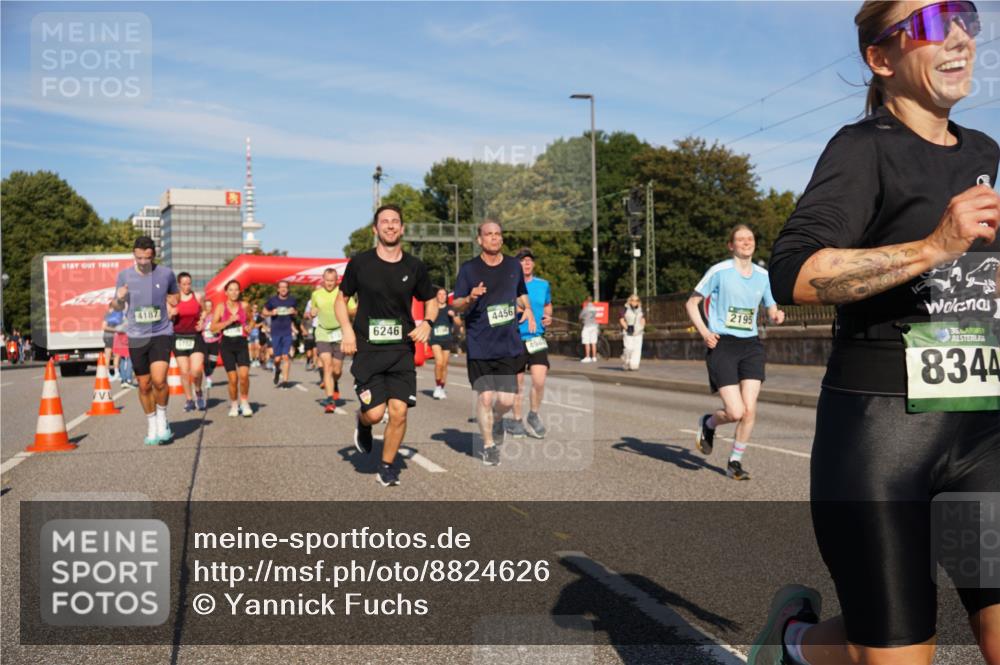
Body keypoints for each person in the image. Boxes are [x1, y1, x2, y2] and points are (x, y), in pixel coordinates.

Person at [749, 2, 999, 664]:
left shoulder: (982, 152)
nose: (955, 37)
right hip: (880, 443)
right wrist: (934, 246)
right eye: (926, 24)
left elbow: (964, 284)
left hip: (979, 434)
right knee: (893, 650)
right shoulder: (861, 150)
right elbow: (794, 273)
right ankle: (794, 644)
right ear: (881, 60)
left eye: (962, 17)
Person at [337, 204, 437, 487]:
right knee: (375, 413)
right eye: (385, 222)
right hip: (368, 350)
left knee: (399, 411)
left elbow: (430, 299)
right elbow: (340, 300)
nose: (390, 226)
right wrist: (347, 331)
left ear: (402, 228)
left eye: (395, 221)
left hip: (400, 351)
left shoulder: (414, 266)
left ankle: (387, 465)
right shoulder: (360, 263)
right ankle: (362, 421)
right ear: (375, 229)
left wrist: (427, 323)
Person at [685, 224, 784, 481]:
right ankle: (708, 424)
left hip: (751, 345)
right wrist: (705, 333)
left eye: (750, 238)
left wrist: (776, 315)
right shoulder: (719, 271)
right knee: (735, 412)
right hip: (723, 346)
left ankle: (734, 462)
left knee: (750, 411)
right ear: (731, 245)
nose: (746, 242)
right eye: (740, 239)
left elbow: (771, 306)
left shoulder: (763, 275)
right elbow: (691, 303)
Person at [452, 221, 536, 465]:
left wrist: (528, 310)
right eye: (489, 234)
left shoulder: (513, 265)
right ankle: (488, 444)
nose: (494, 238)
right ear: (479, 240)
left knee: (507, 401)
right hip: (480, 343)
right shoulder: (469, 269)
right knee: (485, 398)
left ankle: (498, 419)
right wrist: (469, 297)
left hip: (508, 343)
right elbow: (455, 303)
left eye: (498, 234)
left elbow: (521, 292)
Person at [112, 236, 179, 446]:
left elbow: (175, 296)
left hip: (161, 332)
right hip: (137, 336)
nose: (142, 262)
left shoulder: (166, 273)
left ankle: (162, 419)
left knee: (159, 381)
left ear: (153, 255)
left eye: (147, 258)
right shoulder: (124, 276)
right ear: (134, 254)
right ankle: (151, 423)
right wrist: (120, 297)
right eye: (139, 257)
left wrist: (172, 301)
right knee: (144, 385)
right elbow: (115, 308)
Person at [509, 248, 552, 438]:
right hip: (516, 338)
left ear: (533, 264)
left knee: (539, 380)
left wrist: (548, 316)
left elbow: (547, 305)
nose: (526, 263)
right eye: (522, 260)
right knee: (517, 384)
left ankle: (533, 415)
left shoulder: (543, 285)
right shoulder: (509, 285)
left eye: (529, 260)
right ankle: (517, 420)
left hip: (537, 338)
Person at [309, 268, 355, 415]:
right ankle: (330, 400)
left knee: (337, 369)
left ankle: (335, 383)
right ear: (323, 279)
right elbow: (311, 311)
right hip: (323, 332)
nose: (329, 283)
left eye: (332, 280)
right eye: (327, 280)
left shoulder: (343, 293)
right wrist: (311, 313)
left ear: (337, 280)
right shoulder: (316, 294)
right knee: (327, 366)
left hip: (340, 333)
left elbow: (354, 310)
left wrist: (346, 311)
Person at [211, 280, 253, 417]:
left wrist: (249, 327)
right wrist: (229, 321)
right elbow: (213, 328)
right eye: (231, 290)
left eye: (236, 289)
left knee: (244, 376)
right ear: (226, 292)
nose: (234, 292)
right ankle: (234, 404)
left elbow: (251, 320)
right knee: (233, 379)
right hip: (227, 345)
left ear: (239, 291)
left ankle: (245, 402)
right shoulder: (220, 307)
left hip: (241, 343)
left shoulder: (245, 305)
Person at [168, 272, 207, 411]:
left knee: (196, 370)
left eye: (189, 283)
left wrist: (202, 321)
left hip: (195, 337)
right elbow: (166, 317)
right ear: (179, 284)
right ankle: (189, 400)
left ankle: (198, 392)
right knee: (184, 372)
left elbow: (204, 311)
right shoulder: (174, 298)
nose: (187, 286)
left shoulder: (197, 296)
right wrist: (171, 314)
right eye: (184, 284)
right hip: (178, 338)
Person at [262, 280, 297, 388]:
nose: (283, 289)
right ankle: (277, 369)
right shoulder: (272, 300)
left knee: (286, 357)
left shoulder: (292, 300)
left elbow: (296, 312)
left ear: (288, 289)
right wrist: (271, 313)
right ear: (278, 289)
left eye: (285, 287)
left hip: (287, 332)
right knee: (277, 359)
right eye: (281, 287)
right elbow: (263, 312)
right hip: (276, 332)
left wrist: (294, 312)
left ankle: (285, 381)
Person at [428, 287, 460, 400]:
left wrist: (454, 316)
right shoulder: (432, 308)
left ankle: (441, 387)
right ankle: (437, 386)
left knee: (445, 365)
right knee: (439, 362)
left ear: (446, 297)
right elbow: (427, 321)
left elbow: (459, 323)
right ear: (436, 296)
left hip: (447, 339)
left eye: (444, 294)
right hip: (435, 339)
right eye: (439, 294)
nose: (442, 296)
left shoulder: (450, 308)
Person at [620, 294, 645, 371]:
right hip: (629, 331)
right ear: (630, 301)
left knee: (637, 349)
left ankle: (634, 365)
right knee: (628, 348)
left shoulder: (640, 309)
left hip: (638, 332)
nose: (635, 302)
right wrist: (626, 328)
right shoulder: (625, 309)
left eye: (636, 300)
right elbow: (621, 320)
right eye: (633, 300)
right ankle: (626, 362)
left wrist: (641, 327)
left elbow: (643, 319)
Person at [102, 303, 124, 381]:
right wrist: (116, 330)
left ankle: (115, 373)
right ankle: (110, 373)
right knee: (112, 355)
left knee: (115, 355)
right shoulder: (110, 314)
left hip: (112, 337)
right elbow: (104, 326)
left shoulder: (111, 314)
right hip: (111, 337)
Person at [579, 295, 599, 362]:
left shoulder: (586, 308)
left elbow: (580, 316)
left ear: (586, 301)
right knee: (593, 342)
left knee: (586, 341)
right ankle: (594, 357)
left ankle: (587, 357)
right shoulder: (594, 308)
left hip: (587, 326)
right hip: (594, 326)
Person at [248, 303, 262, 367]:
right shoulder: (249, 315)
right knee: (251, 348)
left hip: (256, 333)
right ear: (251, 308)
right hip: (249, 333)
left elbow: (262, 323)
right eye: (254, 308)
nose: (255, 309)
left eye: (256, 308)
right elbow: (246, 323)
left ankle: (257, 360)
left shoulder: (259, 315)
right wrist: (252, 326)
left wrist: (256, 325)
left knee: (257, 347)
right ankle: (251, 360)